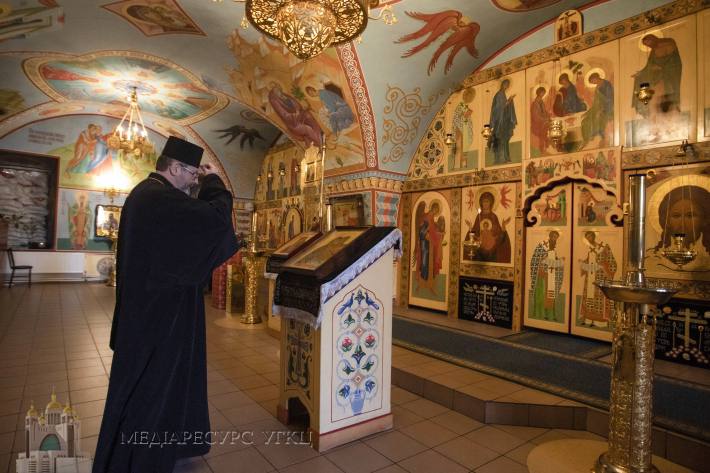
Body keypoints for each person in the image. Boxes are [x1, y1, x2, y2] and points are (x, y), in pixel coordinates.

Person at [92, 136, 237, 473]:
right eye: (192, 174)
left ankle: (159, 450)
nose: (194, 181)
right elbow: (215, 219)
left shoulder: (145, 194)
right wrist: (214, 182)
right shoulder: (159, 197)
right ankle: (140, 460)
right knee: (151, 389)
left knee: (153, 387)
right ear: (174, 168)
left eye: (198, 177)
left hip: (148, 311)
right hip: (158, 319)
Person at [632, 34, 682, 117]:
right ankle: (648, 109)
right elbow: (649, 66)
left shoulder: (669, 43)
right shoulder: (653, 50)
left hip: (667, 76)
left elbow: (674, 63)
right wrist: (640, 73)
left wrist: (661, 68)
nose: (649, 46)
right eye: (646, 45)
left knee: (661, 94)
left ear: (652, 39)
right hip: (656, 76)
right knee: (640, 80)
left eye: (648, 44)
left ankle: (666, 110)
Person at [581, 72, 614, 147]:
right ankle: (587, 139)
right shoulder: (597, 87)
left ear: (596, 78)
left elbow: (610, 98)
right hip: (598, 109)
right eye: (592, 82)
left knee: (598, 118)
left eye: (592, 81)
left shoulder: (606, 84)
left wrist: (603, 109)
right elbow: (596, 102)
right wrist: (590, 111)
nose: (593, 83)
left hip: (608, 108)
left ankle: (602, 136)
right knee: (585, 121)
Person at [488, 79, 517, 164]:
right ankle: (501, 159)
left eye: (508, 85)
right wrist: (509, 100)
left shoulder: (502, 94)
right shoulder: (499, 94)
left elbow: (504, 107)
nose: (507, 86)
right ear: (503, 84)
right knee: (501, 139)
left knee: (505, 139)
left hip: (503, 121)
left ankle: (505, 158)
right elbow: (500, 108)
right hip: (500, 121)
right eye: (506, 84)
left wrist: (509, 101)